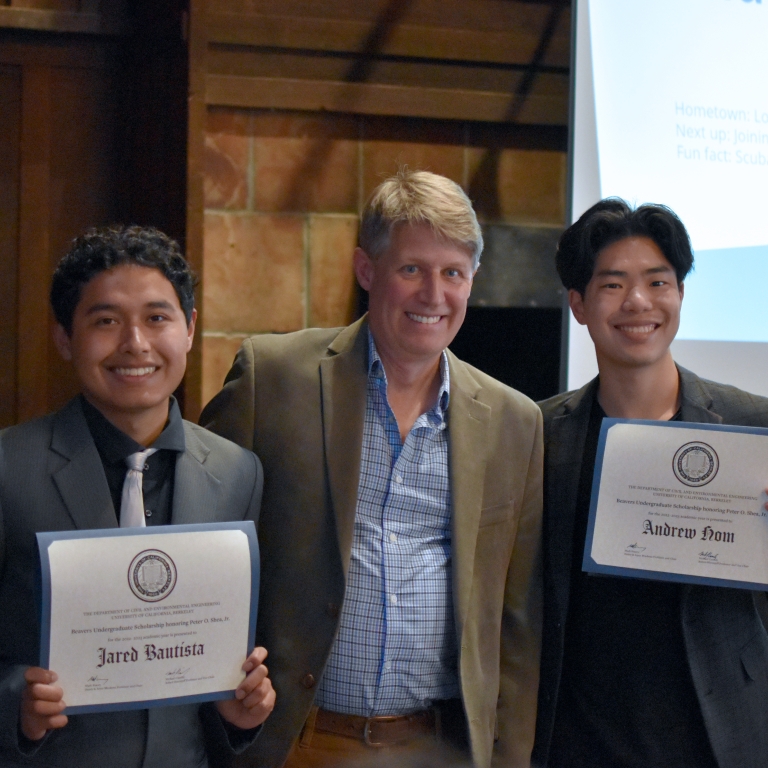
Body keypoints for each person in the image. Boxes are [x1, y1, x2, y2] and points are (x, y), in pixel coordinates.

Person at [201, 169, 543, 768]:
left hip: (439, 746)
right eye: (412, 269)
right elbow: (202, 548)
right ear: (367, 271)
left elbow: (515, 620)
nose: (433, 295)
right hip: (296, 742)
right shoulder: (273, 378)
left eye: (453, 273)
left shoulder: (514, 421)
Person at [0, 226, 276, 767]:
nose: (135, 343)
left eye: (157, 317)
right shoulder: (10, 467)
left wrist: (242, 710)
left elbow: (232, 657)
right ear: (63, 337)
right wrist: (17, 706)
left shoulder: (238, 473)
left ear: (190, 329)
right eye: (105, 321)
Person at [532, 198, 768, 768]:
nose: (638, 302)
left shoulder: (753, 428)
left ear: (680, 294)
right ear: (578, 305)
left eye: (657, 281)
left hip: (723, 737)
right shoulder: (537, 435)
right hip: (577, 742)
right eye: (612, 285)